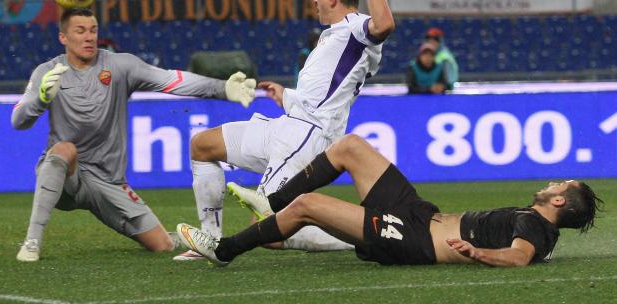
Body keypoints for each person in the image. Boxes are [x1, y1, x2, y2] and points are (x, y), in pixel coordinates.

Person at [175, 0, 395, 260]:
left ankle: (365, 239)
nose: (314, 0)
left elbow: (385, 23)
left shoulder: (356, 28)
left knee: (271, 229)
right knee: (202, 145)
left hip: (307, 138)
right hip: (287, 126)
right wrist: (287, 95)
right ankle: (209, 238)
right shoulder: (332, 36)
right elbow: (322, 93)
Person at [12, 8, 256, 262]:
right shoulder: (47, 72)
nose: (89, 37)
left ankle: (182, 239)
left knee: (161, 244)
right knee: (64, 149)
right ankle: (32, 242)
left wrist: (222, 88)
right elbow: (18, 121)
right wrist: (39, 100)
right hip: (67, 177)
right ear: (63, 37)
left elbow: (171, 79)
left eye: (93, 30)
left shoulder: (120, 66)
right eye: (80, 31)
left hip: (109, 182)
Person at [176, 134, 602, 267]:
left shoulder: (537, 228)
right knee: (351, 147)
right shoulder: (535, 219)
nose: (552, 183)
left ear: (560, 203)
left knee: (309, 206)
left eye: (559, 185)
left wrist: (477, 251)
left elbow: (519, 258)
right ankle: (273, 202)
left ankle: (224, 249)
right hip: (420, 213)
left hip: (412, 239)